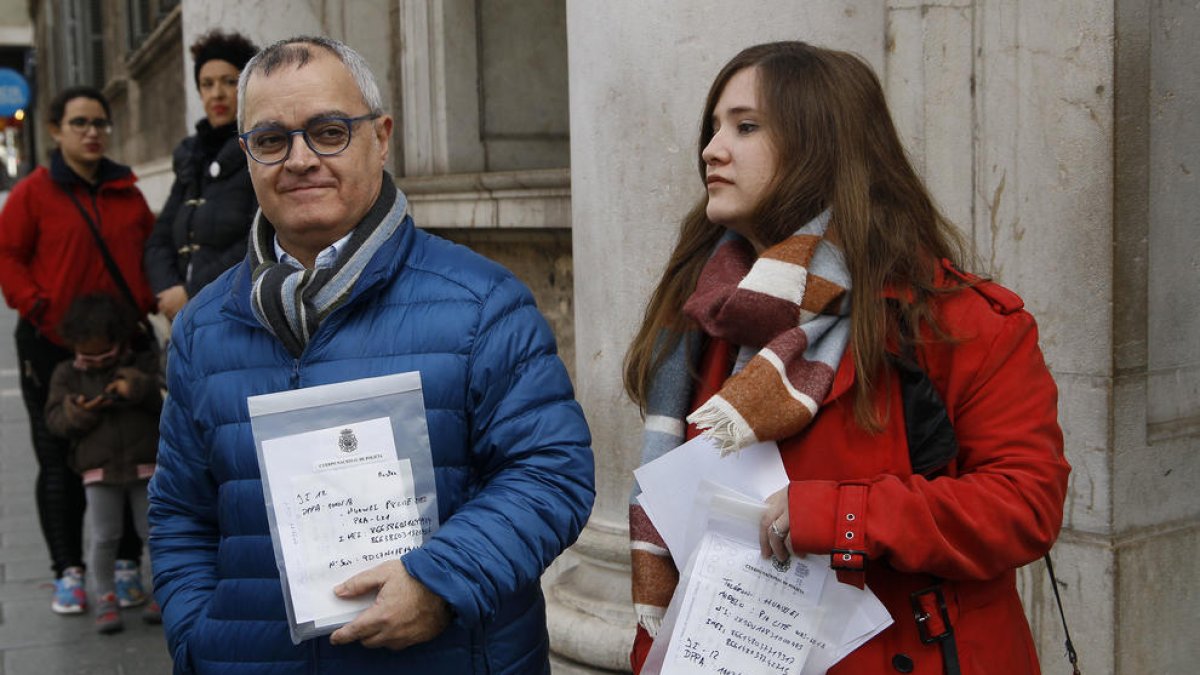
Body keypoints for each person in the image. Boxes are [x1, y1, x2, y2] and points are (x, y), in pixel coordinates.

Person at [147, 36, 594, 674]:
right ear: (246, 154)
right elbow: (180, 512)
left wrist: (440, 583)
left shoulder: (480, 302)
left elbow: (550, 472)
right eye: (271, 140)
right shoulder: (203, 327)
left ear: (380, 137)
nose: (299, 159)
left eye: (328, 131)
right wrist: (200, 638)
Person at [626, 42, 1071, 674]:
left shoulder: (956, 322)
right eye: (715, 127)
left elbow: (1024, 505)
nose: (712, 149)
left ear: (822, 146)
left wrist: (846, 514)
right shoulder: (700, 318)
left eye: (745, 127)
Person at [0, 86, 156, 616]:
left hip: (123, 349)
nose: (93, 132)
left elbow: (149, 251)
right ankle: (68, 570)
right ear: (55, 131)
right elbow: (10, 257)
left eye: (100, 123)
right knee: (58, 454)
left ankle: (127, 565)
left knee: (131, 453)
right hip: (51, 349)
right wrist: (41, 309)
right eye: (80, 123)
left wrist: (145, 302)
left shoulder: (126, 191)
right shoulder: (33, 194)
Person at [44, 293, 162, 634]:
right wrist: (78, 410)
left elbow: (161, 397)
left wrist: (135, 387)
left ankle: (161, 591)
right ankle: (106, 596)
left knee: (153, 532)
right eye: (87, 356)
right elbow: (54, 420)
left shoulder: (139, 365)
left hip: (143, 465)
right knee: (103, 536)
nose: (95, 362)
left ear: (119, 342)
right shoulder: (66, 374)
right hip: (97, 471)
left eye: (103, 354)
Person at [143, 30, 259, 320]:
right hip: (185, 315)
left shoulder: (261, 151)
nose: (216, 93)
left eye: (229, 82)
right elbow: (159, 241)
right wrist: (168, 290)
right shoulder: (190, 158)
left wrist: (191, 291)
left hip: (236, 311)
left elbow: (258, 238)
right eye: (207, 84)